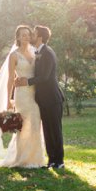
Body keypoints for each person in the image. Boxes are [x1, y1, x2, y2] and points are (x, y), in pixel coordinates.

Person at [0, 25, 44, 167]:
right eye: (23, 35)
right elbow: (10, 79)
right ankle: (22, 159)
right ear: (18, 37)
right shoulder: (14, 55)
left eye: (28, 34)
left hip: (35, 93)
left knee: (35, 124)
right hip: (22, 94)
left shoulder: (35, 52)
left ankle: (36, 159)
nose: (26, 37)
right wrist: (9, 100)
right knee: (23, 126)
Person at [16, 24, 65, 169]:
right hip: (43, 100)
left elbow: (45, 77)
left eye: (34, 34)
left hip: (53, 99)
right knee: (48, 131)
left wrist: (27, 81)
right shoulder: (38, 52)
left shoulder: (48, 52)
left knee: (55, 130)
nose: (31, 36)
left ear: (40, 37)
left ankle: (59, 161)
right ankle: (51, 161)